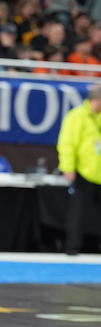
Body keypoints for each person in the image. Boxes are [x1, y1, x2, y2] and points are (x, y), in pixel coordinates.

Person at [56, 84, 101, 256]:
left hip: (99, 172)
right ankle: (72, 247)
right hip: (83, 172)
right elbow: (67, 143)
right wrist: (68, 167)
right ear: (97, 99)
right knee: (77, 213)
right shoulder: (76, 116)